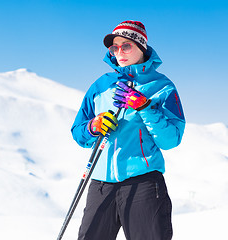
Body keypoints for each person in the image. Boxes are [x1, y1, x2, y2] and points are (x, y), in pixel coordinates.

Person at [71, 20, 185, 240]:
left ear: (141, 47)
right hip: (101, 183)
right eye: (114, 47)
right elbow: (78, 131)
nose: (119, 52)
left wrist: (145, 107)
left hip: (143, 182)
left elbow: (171, 139)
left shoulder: (162, 86)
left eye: (126, 46)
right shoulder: (100, 86)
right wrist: (93, 126)